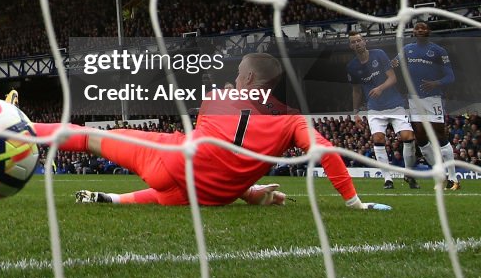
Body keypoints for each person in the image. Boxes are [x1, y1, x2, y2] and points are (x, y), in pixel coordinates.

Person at [37, 53, 390, 210]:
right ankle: (113, 200)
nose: (236, 77)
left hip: (170, 162)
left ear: (249, 79)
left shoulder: (218, 96)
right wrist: (353, 202)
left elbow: (212, 150)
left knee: (88, 138)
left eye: (240, 72)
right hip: (211, 195)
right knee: (176, 195)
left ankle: (20, 127)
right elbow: (325, 154)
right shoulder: (292, 121)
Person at [392, 21, 460, 190]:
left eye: (423, 28)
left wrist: (436, 83)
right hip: (413, 100)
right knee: (421, 140)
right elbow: (393, 63)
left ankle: (454, 179)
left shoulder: (438, 51)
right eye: (417, 28)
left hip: (433, 99)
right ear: (413, 32)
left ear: (428, 31)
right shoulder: (407, 50)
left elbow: (450, 76)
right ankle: (442, 176)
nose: (420, 30)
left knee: (439, 137)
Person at [346, 32, 418, 189]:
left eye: (359, 40)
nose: (357, 43)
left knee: (409, 137)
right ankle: (388, 179)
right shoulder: (352, 66)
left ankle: (409, 174)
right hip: (375, 109)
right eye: (354, 42)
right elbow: (356, 91)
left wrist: (380, 88)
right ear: (351, 46)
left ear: (364, 42)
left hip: (395, 104)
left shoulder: (379, 54)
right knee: (378, 139)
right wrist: (356, 112)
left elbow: (392, 78)